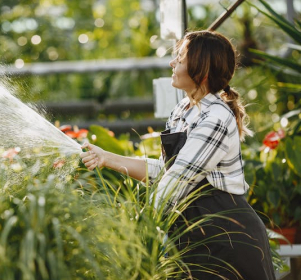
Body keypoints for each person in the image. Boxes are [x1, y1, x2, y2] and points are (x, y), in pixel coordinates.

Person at [80, 30, 276, 280]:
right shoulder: (183, 110)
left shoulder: (216, 117)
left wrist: (130, 229)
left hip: (227, 239)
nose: (172, 63)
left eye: (180, 59)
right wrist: (106, 158)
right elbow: (166, 171)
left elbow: (179, 180)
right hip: (193, 235)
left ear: (201, 71)